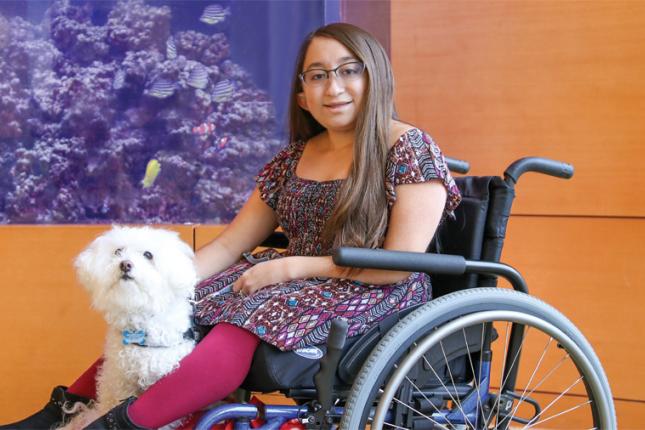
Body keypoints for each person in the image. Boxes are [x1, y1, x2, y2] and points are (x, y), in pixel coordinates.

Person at [1, 22, 461, 429]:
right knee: (187, 302)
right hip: (295, 283)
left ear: (374, 75)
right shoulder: (294, 159)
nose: (333, 87)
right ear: (302, 92)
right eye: (318, 75)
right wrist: (167, 284)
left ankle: (122, 424)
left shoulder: (409, 148)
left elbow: (399, 264)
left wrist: (290, 268)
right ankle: (66, 409)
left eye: (348, 70)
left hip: (373, 290)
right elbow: (227, 247)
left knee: (248, 313)